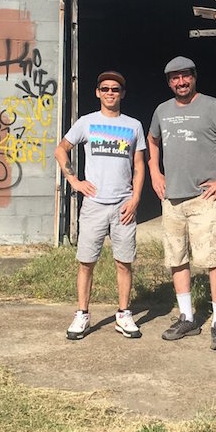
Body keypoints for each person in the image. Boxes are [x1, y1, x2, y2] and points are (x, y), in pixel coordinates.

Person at [147, 56, 216, 351]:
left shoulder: (211, 106)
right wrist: (155, 171)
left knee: (213, 260)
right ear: (169, 82)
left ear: (194, 77)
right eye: (175, 78)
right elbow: (152, 140)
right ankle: (187, 317)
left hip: (204, 199)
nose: (181, 82)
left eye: (185, 76)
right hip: (172, 200)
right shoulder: (162, 110)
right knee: (177, 258)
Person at [56, 70, 146, 341]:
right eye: (105, 89)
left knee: (124, 262)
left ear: (122, 94)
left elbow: (139, 165)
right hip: (94, 205)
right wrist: (74, 181)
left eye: (115, 89)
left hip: (123, 205)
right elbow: (61, 149)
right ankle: (82, 314)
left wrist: (136, 199)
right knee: (86, 262)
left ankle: (123, 314)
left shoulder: (134, 126)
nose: (110, 93)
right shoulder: (86, 122)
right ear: (97, 93)